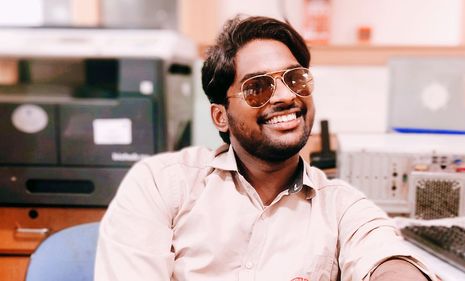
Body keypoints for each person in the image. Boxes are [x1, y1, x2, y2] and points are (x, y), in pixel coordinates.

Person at [95, 15, 438, 281]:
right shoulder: (163, 184)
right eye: (257, 87)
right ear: (220, 117)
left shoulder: (341, 207)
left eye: (295, 79)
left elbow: (385, 255)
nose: (287, 96)